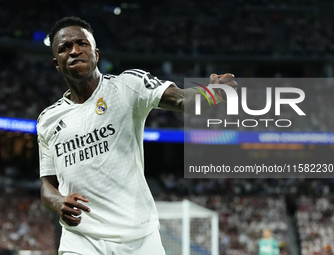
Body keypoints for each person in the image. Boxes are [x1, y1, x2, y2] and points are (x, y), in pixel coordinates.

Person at [37, 16, 236, 255]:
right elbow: (48, 185)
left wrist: (212, 94)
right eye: (65, 47)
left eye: (82, 43)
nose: (75, 50)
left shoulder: (127, 86)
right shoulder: (47, 120)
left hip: (138, 238)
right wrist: (58, 202)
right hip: (81, 239)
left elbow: (182, 99)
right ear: (57, 63)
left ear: (96, 53)